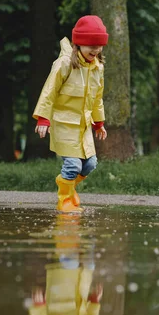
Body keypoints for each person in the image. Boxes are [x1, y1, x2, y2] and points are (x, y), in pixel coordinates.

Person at [33, 15, 109, 213]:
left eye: (99, 45)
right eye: (91, 45)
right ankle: (65, 200)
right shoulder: (64, 64)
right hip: (64, 123)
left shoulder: (97, 68)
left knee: (90, 164)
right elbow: (49, 90)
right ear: (79, 43)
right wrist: (43, 118)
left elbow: (97, 97)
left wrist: (99, 123)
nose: (96, 50)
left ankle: (66, 185)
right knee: (73, 165)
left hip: (83, 125)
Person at [29, 213, 102, 315]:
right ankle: (83, 219)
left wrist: (38, 307)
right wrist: (94, 303)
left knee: (70, 261)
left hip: (60, 298)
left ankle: (66, 218)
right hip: (81, 293)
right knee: (89, 258)